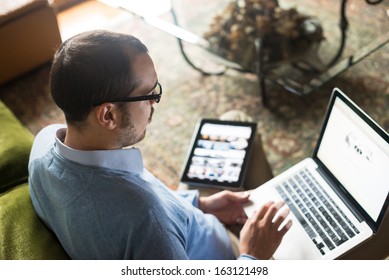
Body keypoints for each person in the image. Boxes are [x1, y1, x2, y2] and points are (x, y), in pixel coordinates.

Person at [28, 30, 292, 260]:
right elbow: (148, 217)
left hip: (194, 221)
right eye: (149, 94)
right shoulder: (147, 220)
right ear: (108, 115)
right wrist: (253, 254)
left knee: (235, 122)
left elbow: (150, 208)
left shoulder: (43, 144)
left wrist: (199, 204)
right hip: (232, 256)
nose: (155, 101)